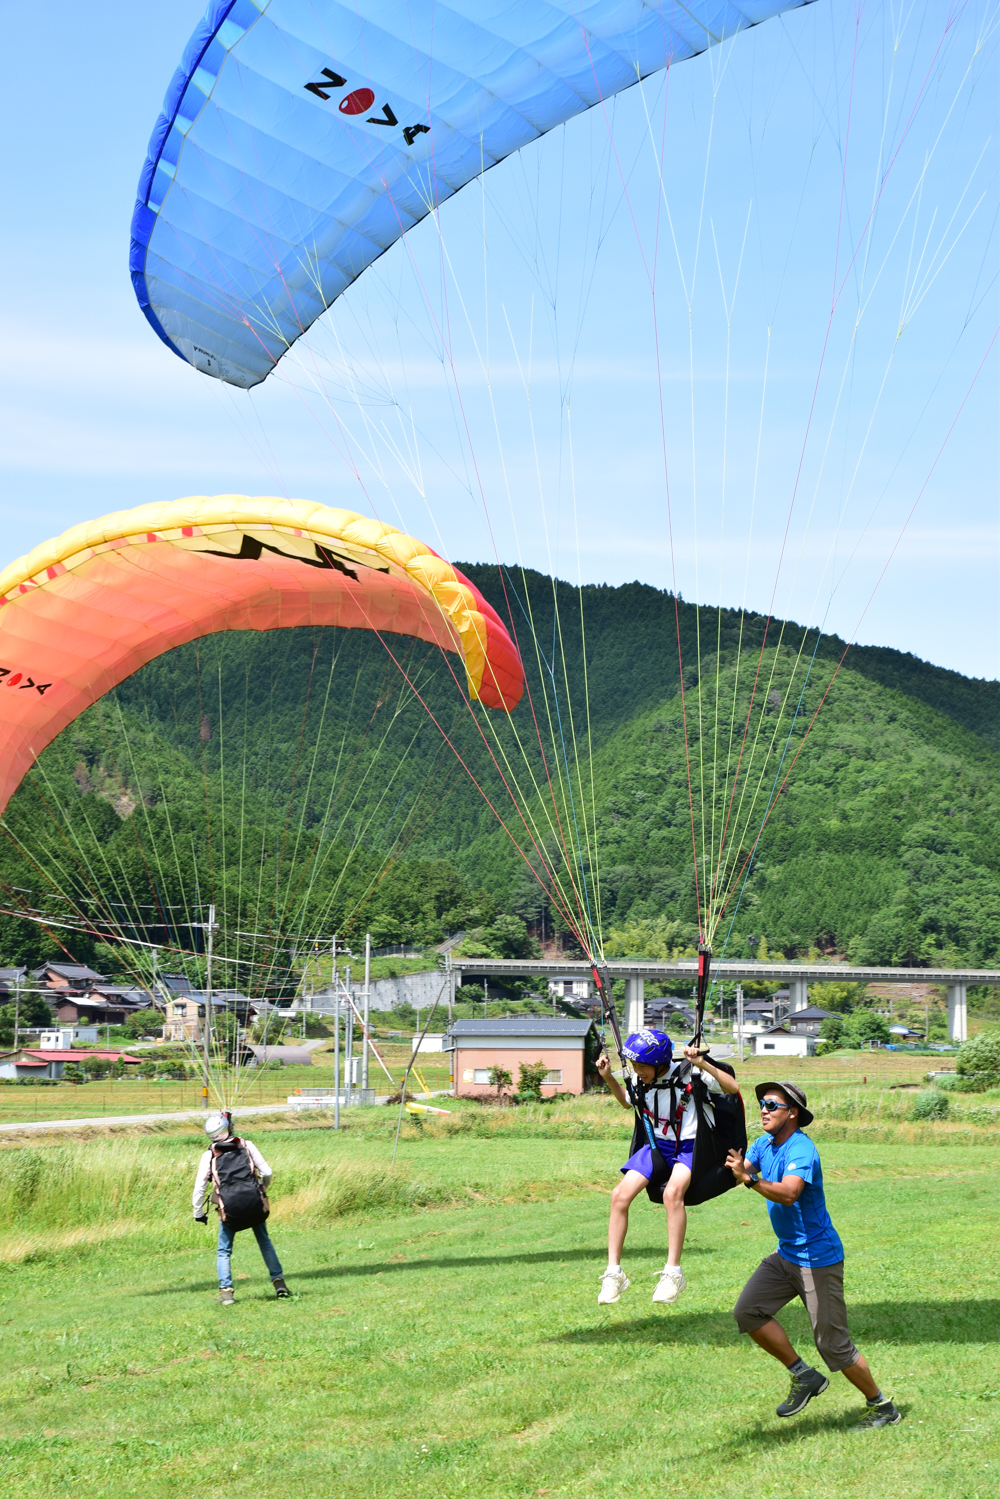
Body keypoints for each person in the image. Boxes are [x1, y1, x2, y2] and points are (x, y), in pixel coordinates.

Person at [726, 1081, 901, 1429]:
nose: (763, 1109)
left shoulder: (800, 1150)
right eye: (762, 1103)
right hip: (786, 1254)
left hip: (817, 1258)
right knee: (748, 1312)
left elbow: (789, 1194)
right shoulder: (764, 1143)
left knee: (833, 1345)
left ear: (792, 1112)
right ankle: (803, 1376)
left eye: (772, 1104)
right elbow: (736, 1172)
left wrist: (749, 1180)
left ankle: (882, 1407)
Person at [596, 1028, 740, 1306]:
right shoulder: (641, 1080)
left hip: (690, 1146)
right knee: (619, 1196)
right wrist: (608, 1078)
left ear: (661, 1063)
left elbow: (732, 1087)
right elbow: (628, 1102)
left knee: (672, 1194)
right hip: (657, 1145)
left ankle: (673, 1272)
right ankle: (614, 1272)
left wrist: (702, 1063)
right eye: (634, 1065)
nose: (638, 1071)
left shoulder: (691, 1073)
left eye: (642, 1066)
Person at [193, 1111, 290, 1305]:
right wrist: (262, 1189)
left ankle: (226, 1293)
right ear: (227, 1128)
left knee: (223, 1251)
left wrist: (198, 1212)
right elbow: (267, 1172)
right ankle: (279, 1284)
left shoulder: (209, 1155)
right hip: (253, 1202)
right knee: (264, 1242)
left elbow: (199, 1186)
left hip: (228, 1208)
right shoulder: (247, 1145)